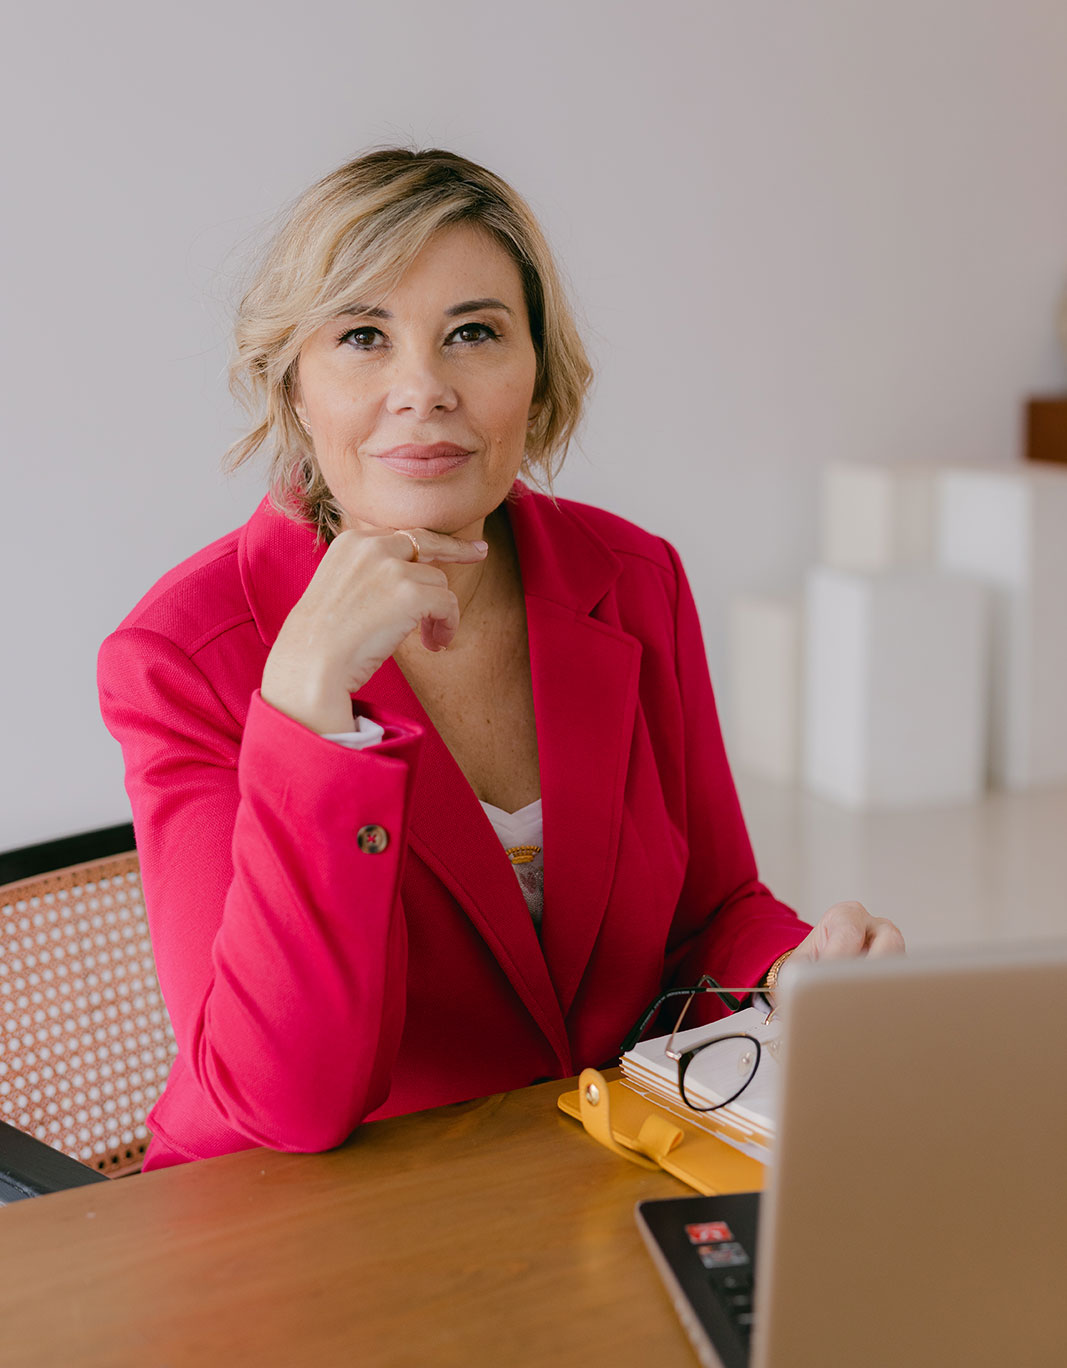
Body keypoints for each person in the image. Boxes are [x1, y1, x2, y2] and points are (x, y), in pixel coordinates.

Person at [98, 147, 905, 1172]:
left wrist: (795, 968)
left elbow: (709, 912)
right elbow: (284, 1103)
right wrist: (308, 705)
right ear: (294, 386)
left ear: (536, 371)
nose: (421, 388)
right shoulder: (182, 653)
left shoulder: (631, 574)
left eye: (472, 333)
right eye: (361, 337)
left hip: (586, 1176)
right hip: (303, 1226)